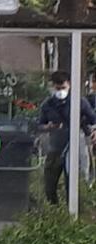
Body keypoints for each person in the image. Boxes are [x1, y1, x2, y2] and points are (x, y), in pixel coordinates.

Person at [38, 70, 96, 202]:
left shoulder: (79, 101)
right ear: (52, 87)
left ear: (69, 84)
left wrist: (93, 131)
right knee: (50, 183)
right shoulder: (48, 105)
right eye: (57, 88)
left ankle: (76, 212)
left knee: (76, 182)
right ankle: (54, 212)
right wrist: (48, 127)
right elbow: (40, 124)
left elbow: (93, 119)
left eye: (63, 88)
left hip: (76, 145)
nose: (60, 91)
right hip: (56, 147)